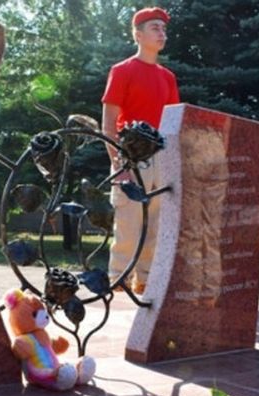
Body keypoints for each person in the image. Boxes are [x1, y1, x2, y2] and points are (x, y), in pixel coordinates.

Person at [102, 6, 179, 295]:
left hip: (160, 156)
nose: (162, 34)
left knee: (156, 223)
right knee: (130, 221)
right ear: (138, 34)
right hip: (130, 155)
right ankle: (118, 282)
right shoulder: (122, 71)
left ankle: (145, 281)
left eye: (164, 29)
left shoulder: (168, 77)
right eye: (155, 28)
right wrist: (119, 167)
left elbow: (172, 124)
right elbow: (108, 123)